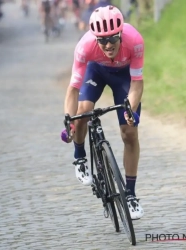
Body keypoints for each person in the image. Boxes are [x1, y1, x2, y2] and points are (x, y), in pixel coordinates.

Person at [61, 5, 144, 220]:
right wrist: (69, 122)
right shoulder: (85, 46)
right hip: (95, 72)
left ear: (120, 35)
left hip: (123, 77)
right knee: (83, 111)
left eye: (112, 39)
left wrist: (130, 110)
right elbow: (73, 89)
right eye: (102, 40)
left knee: (129, 132)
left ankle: (131, 194)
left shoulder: (135, 41)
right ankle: (80, 157)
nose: (107, 45)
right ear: (95, 38)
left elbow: (136, 83)